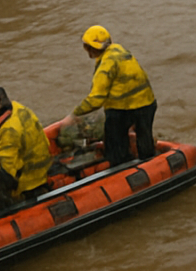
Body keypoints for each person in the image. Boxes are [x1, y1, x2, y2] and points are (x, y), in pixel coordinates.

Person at [56, 25, 158, 166]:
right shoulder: (119, 50)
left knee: (115, 147)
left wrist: (74, 115)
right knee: (145, 143)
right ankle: (150, 165)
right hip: (147, 104)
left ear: (90, 48)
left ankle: (121, 168)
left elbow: (96, 99)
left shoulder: (106, 65)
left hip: (124, 109)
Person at [0, 88, 52, 209]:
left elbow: (5, 168)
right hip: (39, 166)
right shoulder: (18, 109)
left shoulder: (10, 130)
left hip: (29, 180)